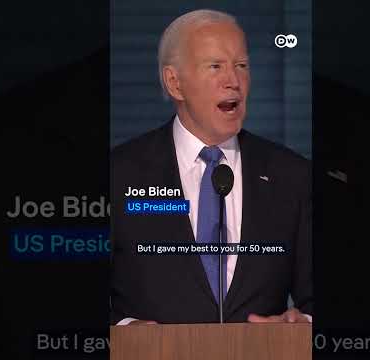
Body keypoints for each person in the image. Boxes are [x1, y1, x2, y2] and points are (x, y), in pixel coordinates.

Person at [110, 9, 312, 325]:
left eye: (241, 66)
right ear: (174, 83)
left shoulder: (292, 176)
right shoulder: (119, 175)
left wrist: (301, 325)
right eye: (215, 66)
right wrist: (123, 331)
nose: (233, 81)